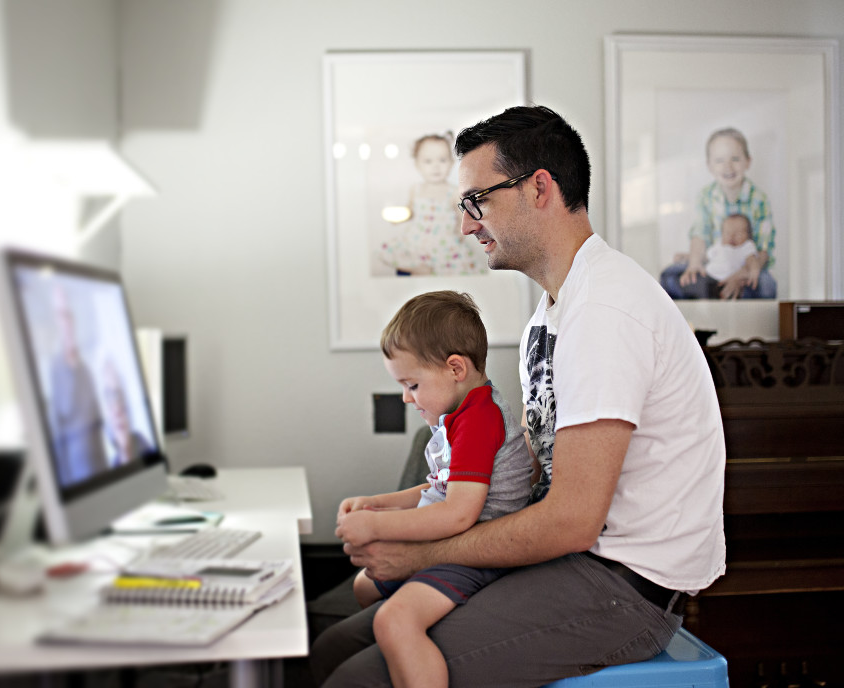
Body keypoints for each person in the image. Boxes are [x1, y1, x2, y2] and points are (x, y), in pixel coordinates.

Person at [311, 105, 726, 687]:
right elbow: (528, 473)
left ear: (538, 188)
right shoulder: (553, 314)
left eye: (476, 201)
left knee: (363, 678)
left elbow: (573, 522)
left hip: (622, 584)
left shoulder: (605, 309)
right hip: (573, 561)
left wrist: (420, 555)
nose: (466, 225)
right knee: (335, 648)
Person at [335, 290, 533, 688]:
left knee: (395, 620)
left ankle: (412, 641)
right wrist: (378, 505)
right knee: (365, 585)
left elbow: (459, 512)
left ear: (455, 368)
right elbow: (439, 486)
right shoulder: (456, 415)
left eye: (412, 384)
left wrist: (377, 529)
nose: (407, 398)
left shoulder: (480, 418)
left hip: (475, 551)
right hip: (456, 536)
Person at [659, 127, 777, 299]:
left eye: (735, 159)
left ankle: (720, 290)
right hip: (714, 268)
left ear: (748, 162)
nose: (728, 166)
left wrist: (743, 273)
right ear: (709, 165)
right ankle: (717, 290)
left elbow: (765, 249)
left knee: (767, 286)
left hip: (746, 270)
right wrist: (694, 261)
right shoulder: (706, 196)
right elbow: (700, 233)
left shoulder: (759, 199)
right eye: (720, 160)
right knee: (669, 276)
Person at [378, 133, 485, 277]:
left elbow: (462, 217)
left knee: (449, 266)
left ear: (451, 163)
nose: (436, 166)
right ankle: (417, 268)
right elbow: (409, 211)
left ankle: (427, 271)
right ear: (418, 165)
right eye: (428, 161)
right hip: (417, 239)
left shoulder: (453, 192)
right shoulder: (416, 189)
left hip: (443, 241)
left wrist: (460, 235)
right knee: (390, 254)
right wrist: (398, 216)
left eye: (442, 160)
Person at [47, 284, 106, 486]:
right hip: (76, 486)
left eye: (70, 315)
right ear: (55, 322)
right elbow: (57, 446)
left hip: (100, 480)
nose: (67, 322)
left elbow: (98, 431)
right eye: (62, 315)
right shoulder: (53, 373)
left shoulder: (87, 371)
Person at [680, 214, 759, 300]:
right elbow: (706, 257)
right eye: (727, 233)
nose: (732, 237)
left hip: (730, 280)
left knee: (734, 294)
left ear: (748, 236)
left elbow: (752, 260)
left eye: (738, 234)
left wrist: (754, 270)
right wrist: (686, 256)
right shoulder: (719, 246)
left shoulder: (746, 246)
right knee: (694, 281)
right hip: (709, 277)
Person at [99, 356, 154, 467]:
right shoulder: (113, 467)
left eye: (119, 393)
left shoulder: (148, 454)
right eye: (109, 396)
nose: (116, 408)